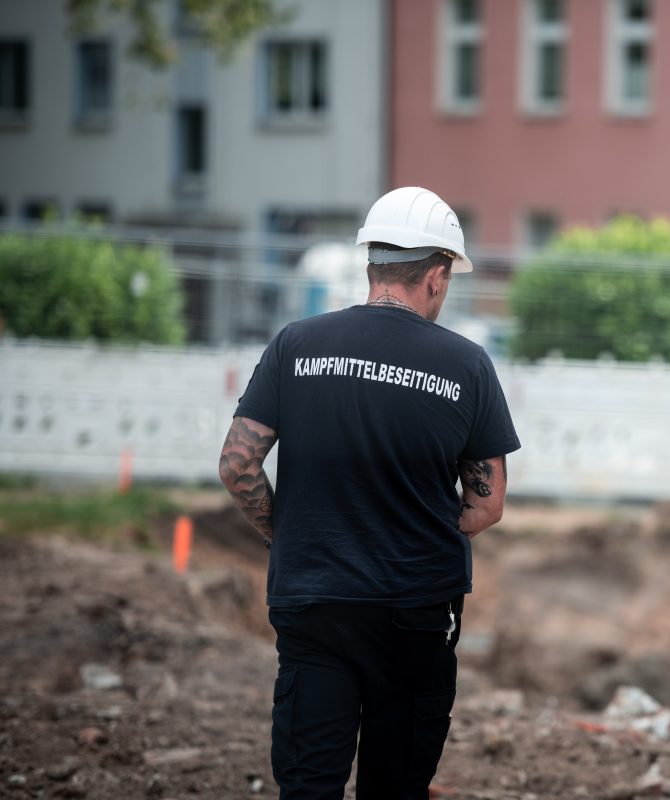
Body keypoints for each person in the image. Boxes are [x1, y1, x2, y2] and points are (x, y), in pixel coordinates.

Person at [218, 186, 521, 799]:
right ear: (437, 277)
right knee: (396, 784)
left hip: (314, 598)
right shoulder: (467, 365)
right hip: (415, 607)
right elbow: (487, 503)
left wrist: (287, 530)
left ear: (371, 267)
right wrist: (417, 525)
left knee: (310, 782)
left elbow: (237, 462)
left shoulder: (296, 344)